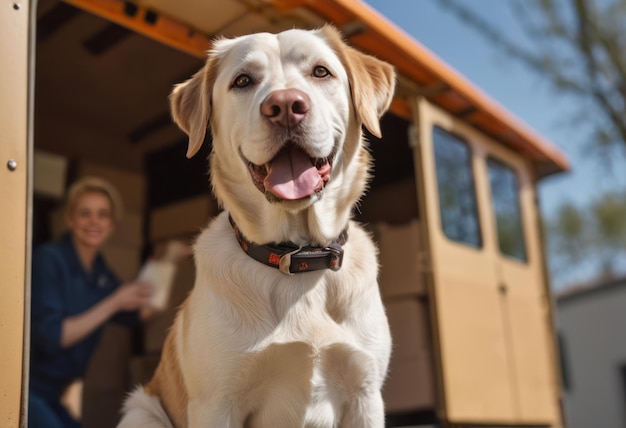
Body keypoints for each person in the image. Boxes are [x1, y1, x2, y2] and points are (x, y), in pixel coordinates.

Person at [28, 176, 154, 428]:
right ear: (70, 219)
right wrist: (114, 301)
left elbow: (138, 314)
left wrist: (168, 263)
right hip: (24, 386)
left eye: (103, 215)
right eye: (85, 213)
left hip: (55, 394)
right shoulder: (49, 259)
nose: (94, 222)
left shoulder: (101, 272)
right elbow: (53, 337)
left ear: (111, 225)